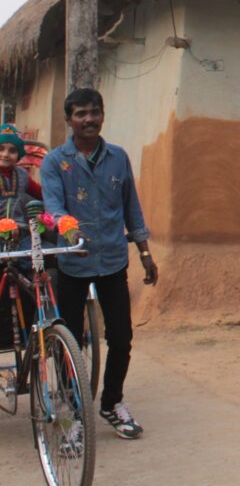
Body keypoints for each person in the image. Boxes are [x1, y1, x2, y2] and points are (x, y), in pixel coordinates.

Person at [40, 88, 159, 439]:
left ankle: (111, 403)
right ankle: (72, 412)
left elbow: (131, 206)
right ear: (69, 120)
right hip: (72, 262)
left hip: (111, 260)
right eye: (80, 114)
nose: (88, 119)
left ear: (103, 115)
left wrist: (145, 251)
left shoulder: (118, 158)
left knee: (121, 337)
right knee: (70, 342)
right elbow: (54, 207)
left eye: (94, 112)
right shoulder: (55, 162)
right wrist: (70, 233)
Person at [0, 123, 43, 384]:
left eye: (11, 151)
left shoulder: (24, 178)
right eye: (0, 149)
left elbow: (42, 196)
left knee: (34, 278)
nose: (5, 154)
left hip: (22, 241)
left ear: (19, 156)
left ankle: (38, 329)